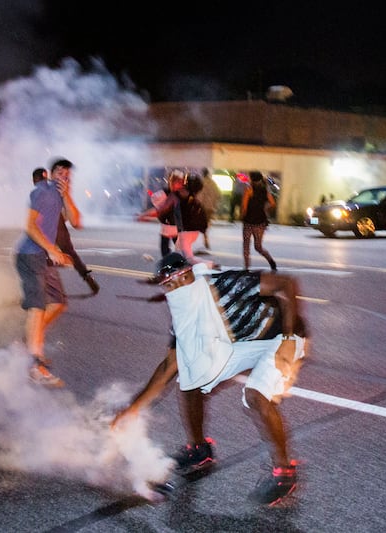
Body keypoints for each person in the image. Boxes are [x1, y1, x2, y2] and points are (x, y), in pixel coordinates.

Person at [111, 252, 308, 505]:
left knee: (256, 395)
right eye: (167, 286)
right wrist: (132, 409)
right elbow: (169, 366)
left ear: (189, 275)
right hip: (240, 343)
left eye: (175, 282)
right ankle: (199, 449)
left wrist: (290, 338)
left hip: (280, 337)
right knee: (191, 378)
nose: (172, 290)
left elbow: (286, 283)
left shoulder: (226, 284)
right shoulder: (184, 316)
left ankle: (284, 473)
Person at [14, 158, 81, 387]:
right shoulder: (43, 191)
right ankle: (34, 365)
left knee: (58, 303)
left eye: (67, 173)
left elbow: (76, 221)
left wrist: (68, 196)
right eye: (60, 172)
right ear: (51, 174)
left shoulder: (60, 194)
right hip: (29, 255)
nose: (64, 176)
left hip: (43, 257)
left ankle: (28, 342)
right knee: (38, 307)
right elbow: (30, 225)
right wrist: (52, 249)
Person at [32, 168, 99, 295]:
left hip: (50, 227)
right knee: (70, 252)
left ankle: (39, 288)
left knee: (41, 256)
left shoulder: (38, 192)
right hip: (59, 225)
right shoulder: (52, 188)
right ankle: (87, 277)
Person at [137, 170, 185, 257]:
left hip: (176, 228)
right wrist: (144, 215)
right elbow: (157, 210)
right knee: (167, 254)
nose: (179, 184)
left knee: (182, 254)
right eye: (177, 182)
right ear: (171, 182)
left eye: (181, 182)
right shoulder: (164, 194)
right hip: (167, 229)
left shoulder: (182, 195)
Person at [174, 173, 213, 268]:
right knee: (178, 252)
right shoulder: (195, 201)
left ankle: (210, 265)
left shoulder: (185, 199)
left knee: (189, 258)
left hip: (186, 232)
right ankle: (183, 272)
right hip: (192, 232)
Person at [241, 171, 277, 271]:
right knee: (258, 246)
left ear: (251, 179)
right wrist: (265, 208)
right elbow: (273, 203)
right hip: (260, 223)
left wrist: (242, 216)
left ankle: (246, 268)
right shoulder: (265, 191)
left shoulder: (248, 190)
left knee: (246, 246)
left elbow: (244, 206)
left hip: (248, 222)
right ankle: (271, 261)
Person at [196, 168, 222, 250]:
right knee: (206, 223)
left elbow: (200, 196)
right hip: (211, 207)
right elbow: (218, 194)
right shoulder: (213, 183)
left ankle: (205, 238)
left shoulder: (201, 182)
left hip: (203, 207)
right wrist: (214, 203)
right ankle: (205, 238)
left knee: (202, 223)